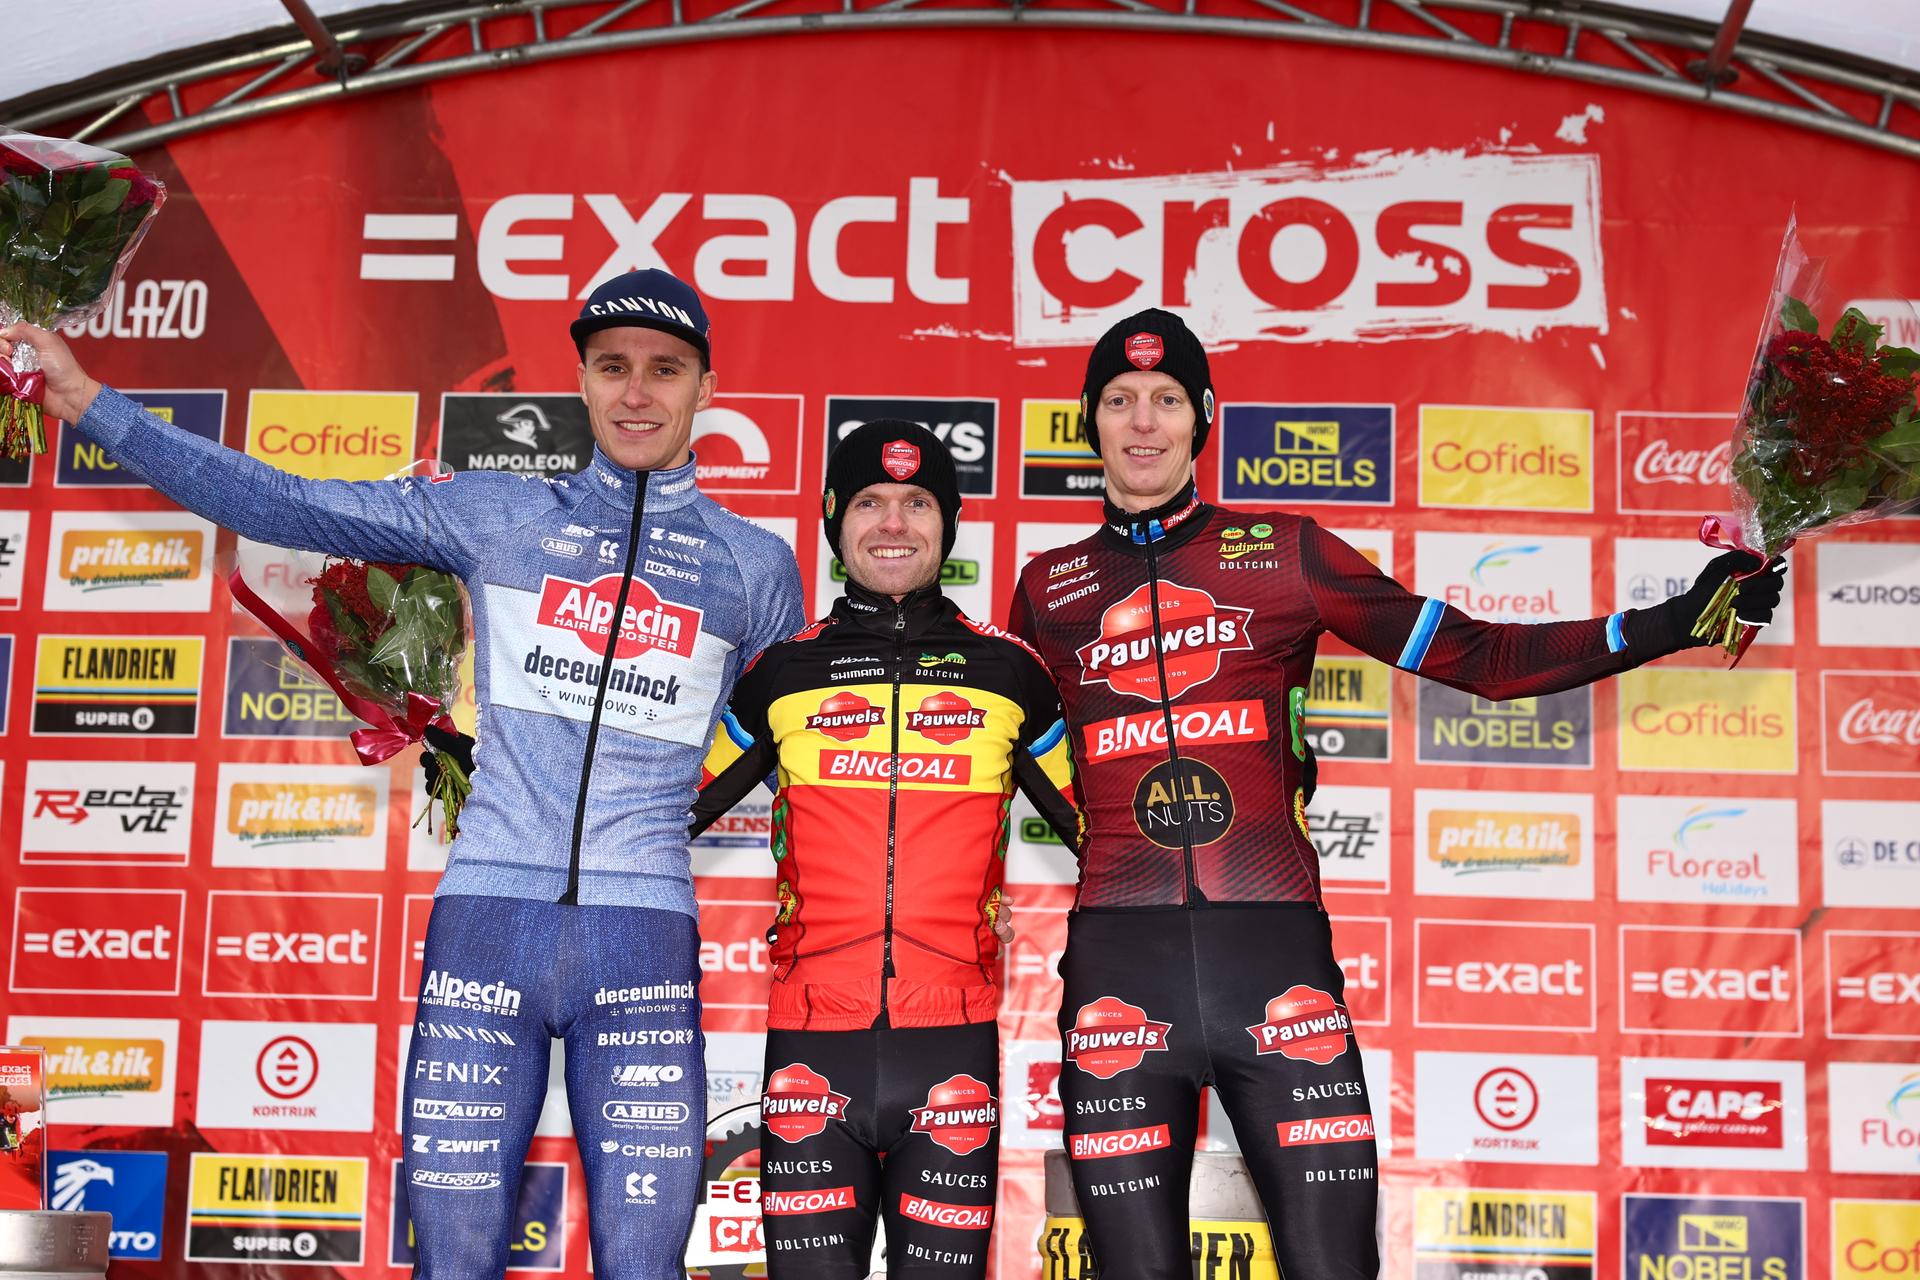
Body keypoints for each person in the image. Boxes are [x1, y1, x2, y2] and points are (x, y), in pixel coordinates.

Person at [0, 268, 806, 1279]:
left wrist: (704, 830)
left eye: (665, 369)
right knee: (452, 1264)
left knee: (644, 1269)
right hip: (488, 924)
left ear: (706, 388)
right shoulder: (498, 512)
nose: (637, 392)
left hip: (641, 930)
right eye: (613, 368)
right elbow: (285, 500)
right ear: (583, 382)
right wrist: (86, 401)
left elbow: (793, 742)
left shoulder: (754, 566)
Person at [1005, 309, 1788, 1280]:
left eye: (1166, 399)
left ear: (1203, 414)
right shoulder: (1049, 588)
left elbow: (1483, 657)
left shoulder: (1287, 551)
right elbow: (1021, 751)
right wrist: (1104, 842)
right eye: (1120, 400)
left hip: (1274, 967)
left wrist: (1677, 618)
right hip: (1122, 974)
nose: (1142, 423)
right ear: (1090, 418)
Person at [690, 421, 1081, 1280]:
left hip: (953, 1050)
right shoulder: (781, 673)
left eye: (917, 503)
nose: (893, 524)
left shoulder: (1009, 672)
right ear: (835, 519)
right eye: (869, 502)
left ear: (949, 523)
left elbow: (1108, 832)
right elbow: (660, 812)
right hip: (809, 1044)